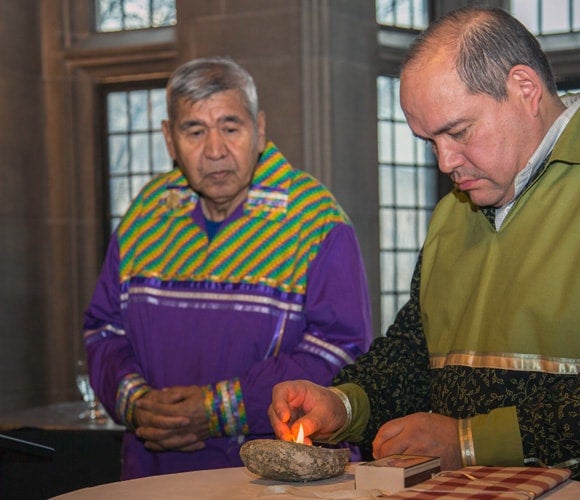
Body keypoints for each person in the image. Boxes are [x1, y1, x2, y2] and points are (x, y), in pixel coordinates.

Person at [269, 7, 580, 499]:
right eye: (430, 142)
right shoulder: (454, 212)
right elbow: (413, 354)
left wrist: (469, 442)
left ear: (524, 89)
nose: (446, 162)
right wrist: (344, 404)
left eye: (459, 132)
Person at [83, 56, 372, 479]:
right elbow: (102, 331)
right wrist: (136, 402)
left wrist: (221, 410)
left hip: (280, 480)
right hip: (153, 474)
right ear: (169, 139)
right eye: (194, 130)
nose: (215, 150)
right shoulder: (143, 218)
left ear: (260, 130)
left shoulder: (316, 222)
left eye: (231, 128)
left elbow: (341, 352)